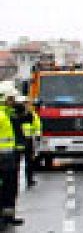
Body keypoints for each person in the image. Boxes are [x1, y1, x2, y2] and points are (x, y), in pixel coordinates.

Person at [0, 82, 23, 225]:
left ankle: (8, 216)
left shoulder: (8, 114)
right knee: (5, 188)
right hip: (3, 157)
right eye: (11, 98)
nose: (13, 101)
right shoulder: (2, 116)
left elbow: (23, 115)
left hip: (9, 157)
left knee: (10, 187)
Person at [19, 93, 42, 186]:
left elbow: (38, 126)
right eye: (25, 103)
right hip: (19, 139)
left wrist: (37, 136)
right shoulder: (18, 114)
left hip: (29, 140)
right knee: (17, 162)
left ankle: (29, 180)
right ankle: (16, 181)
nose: (26, 105)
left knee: (29, 161)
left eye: (28, 103)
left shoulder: (33, 115)